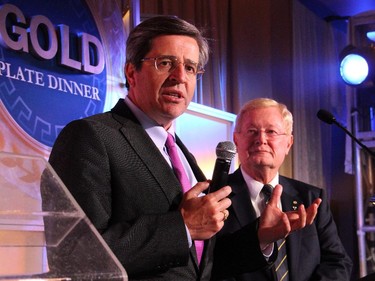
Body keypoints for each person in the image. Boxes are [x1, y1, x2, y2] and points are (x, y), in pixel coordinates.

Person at [48, 16, 320, 280]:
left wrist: (260, 236)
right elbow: (73, 256)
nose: (179, 77)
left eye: (190, 68)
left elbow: (202, 262)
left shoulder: (180, 152)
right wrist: (183, 226)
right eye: (165, 63)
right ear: (132, 72)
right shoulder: (90, 137)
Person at [211, 98, 353, 281]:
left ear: (288, 143)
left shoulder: (312, 198)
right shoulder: (215, 196)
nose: (261, 139)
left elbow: (338, 262)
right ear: (236, 140)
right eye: (252, 131)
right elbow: (209, 267)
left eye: (271, 132)